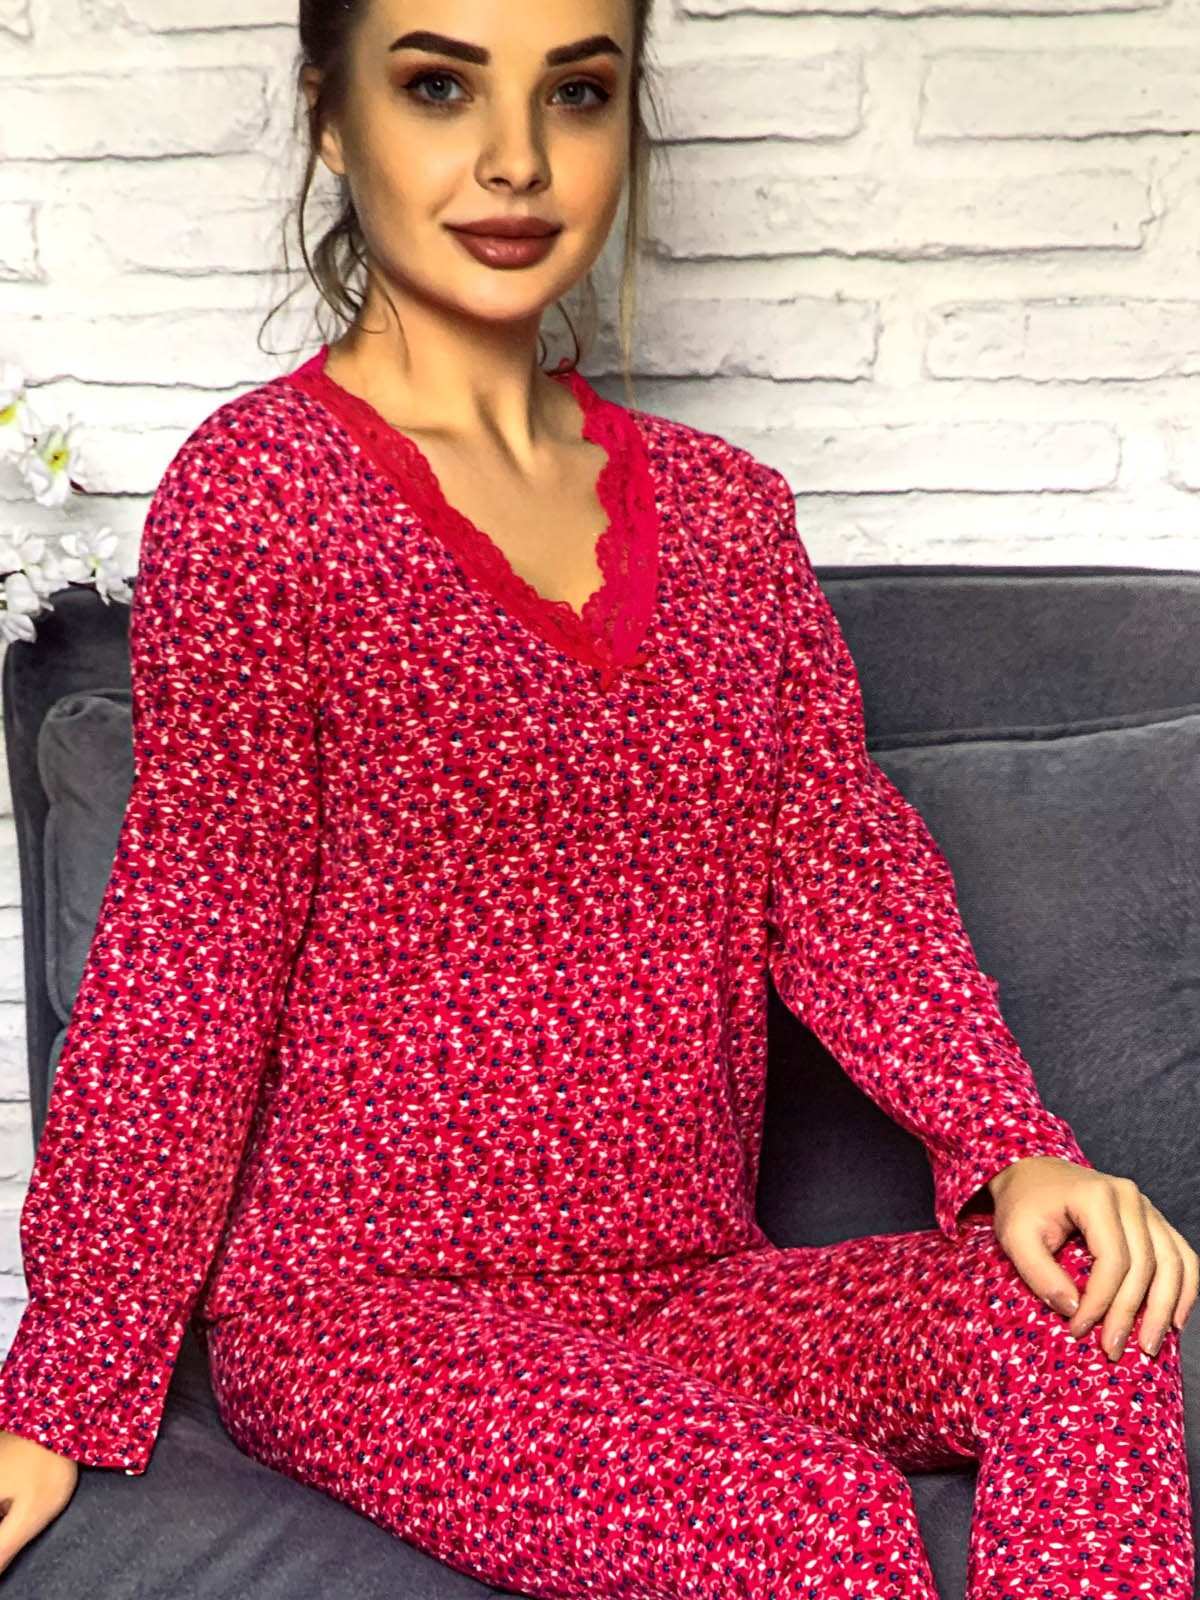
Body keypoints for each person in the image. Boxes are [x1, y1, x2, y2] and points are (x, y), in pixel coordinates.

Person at [0, 1, 1194, 1593]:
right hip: (367, 1313)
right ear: (333, 118)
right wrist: (61, 1387)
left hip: (689, 1285)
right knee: (813, 1516)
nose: (515, 158)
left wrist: (1011, 1145)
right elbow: (188, 952)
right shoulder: (261, 498)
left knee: (1095, 1329)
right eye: (440, 86)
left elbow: (840, 873)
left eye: (575, 93)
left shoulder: (728, 518)